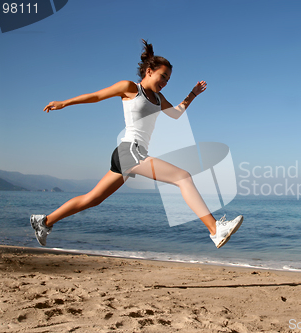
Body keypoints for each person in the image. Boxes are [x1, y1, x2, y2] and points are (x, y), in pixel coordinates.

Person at [30, 39, 243, 249]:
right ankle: (215, 229)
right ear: (149, 71)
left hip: (129, 154)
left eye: (168, 79)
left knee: (93, 199)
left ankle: (44, 221)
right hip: (129, 150)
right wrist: (64, 103)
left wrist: (192, 94)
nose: (165, 82)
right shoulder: (130, 87)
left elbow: (176, 114)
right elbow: (96, 96)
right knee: (183, 177)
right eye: (163, 76)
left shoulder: (159, 98)